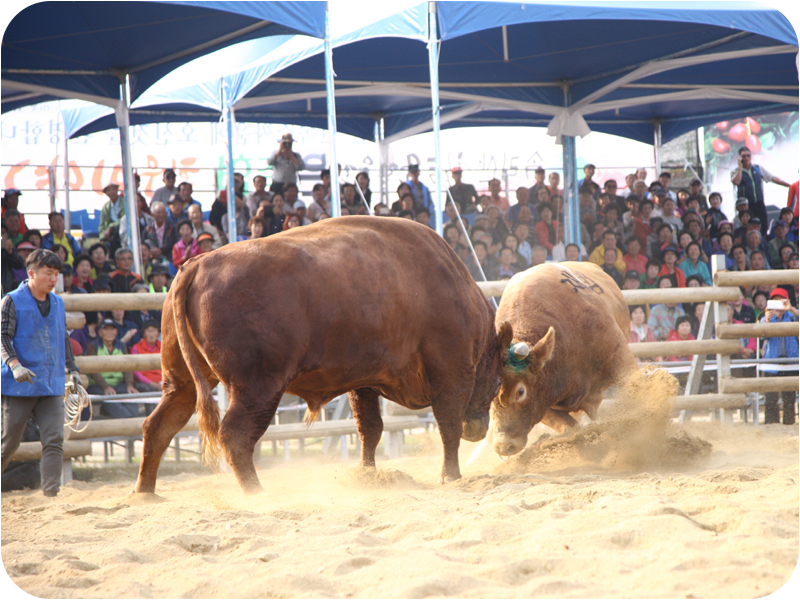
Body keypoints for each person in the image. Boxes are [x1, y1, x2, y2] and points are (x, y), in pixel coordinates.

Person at [0, 249, 80, 497]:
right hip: (18, 385)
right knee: (8, 443)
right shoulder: (10, 300)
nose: (53, 279)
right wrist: (15, 365)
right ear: (31, 273)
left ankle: (51, 495)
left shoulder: (58, 303)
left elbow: (62, 338)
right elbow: (2, 336)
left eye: (56, 274)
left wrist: (73, 370)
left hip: (51, 383)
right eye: (49, 273)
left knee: (55, 440)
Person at [760, 288, 800, 424]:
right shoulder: (765, 319)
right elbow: (761, 334)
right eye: (775, 301)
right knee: (770, 397)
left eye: (782, 301)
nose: (779, 304)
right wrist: (767, 319)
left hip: (791, 362)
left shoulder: (793, 316)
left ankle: (789, 423)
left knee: (789, 397)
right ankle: (771, 424)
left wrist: (791, 309)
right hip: (771, 363)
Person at [732, 146, 791, 235]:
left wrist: (790, 185)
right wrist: (740, 167)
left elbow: (772, 178)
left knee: (763, 227)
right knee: (747, 228)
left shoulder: (758, 168)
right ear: (739, 158)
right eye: (743, 156)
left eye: (748, 155)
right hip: (746, 207)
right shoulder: (735, 171)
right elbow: (736, 181)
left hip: (759, 204)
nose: (746, 158)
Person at [86, 318, 139, 417]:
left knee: (131, 399)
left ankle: (132, 420)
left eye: (112, 329)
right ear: (100, 332)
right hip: (99, 385)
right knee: (111, 400)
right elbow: (93, 369)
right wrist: (105, 386)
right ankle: (128, 422)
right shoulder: (92, 346)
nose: (110, 332)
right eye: (106, 329)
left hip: (118, 383)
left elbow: (127, 366)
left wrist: (129, 385)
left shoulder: (121, 345)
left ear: (116, 331)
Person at [131, 320, 163, 393]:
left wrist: (164, 382)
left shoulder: (163, 347)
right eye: (148, 331)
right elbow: (135, 372)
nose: (151, 334)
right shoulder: (136, 347)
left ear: (158, 333)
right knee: (149, 389)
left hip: (162, 381)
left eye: (154, 331)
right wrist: (152, 383)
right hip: (144, 382)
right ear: (144, 333)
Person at [98, 182, 125, 254]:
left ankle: (114, 256)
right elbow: (102, 224)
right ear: (106, 193)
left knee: (114, 236)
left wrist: (110, 227)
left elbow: (124, 219)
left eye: (113, 189)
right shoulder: (106, 207)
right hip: (111, 232)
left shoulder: (125, 202)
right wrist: (102, 237)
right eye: (109, 190)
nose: (112, 192)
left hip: (123, 228)